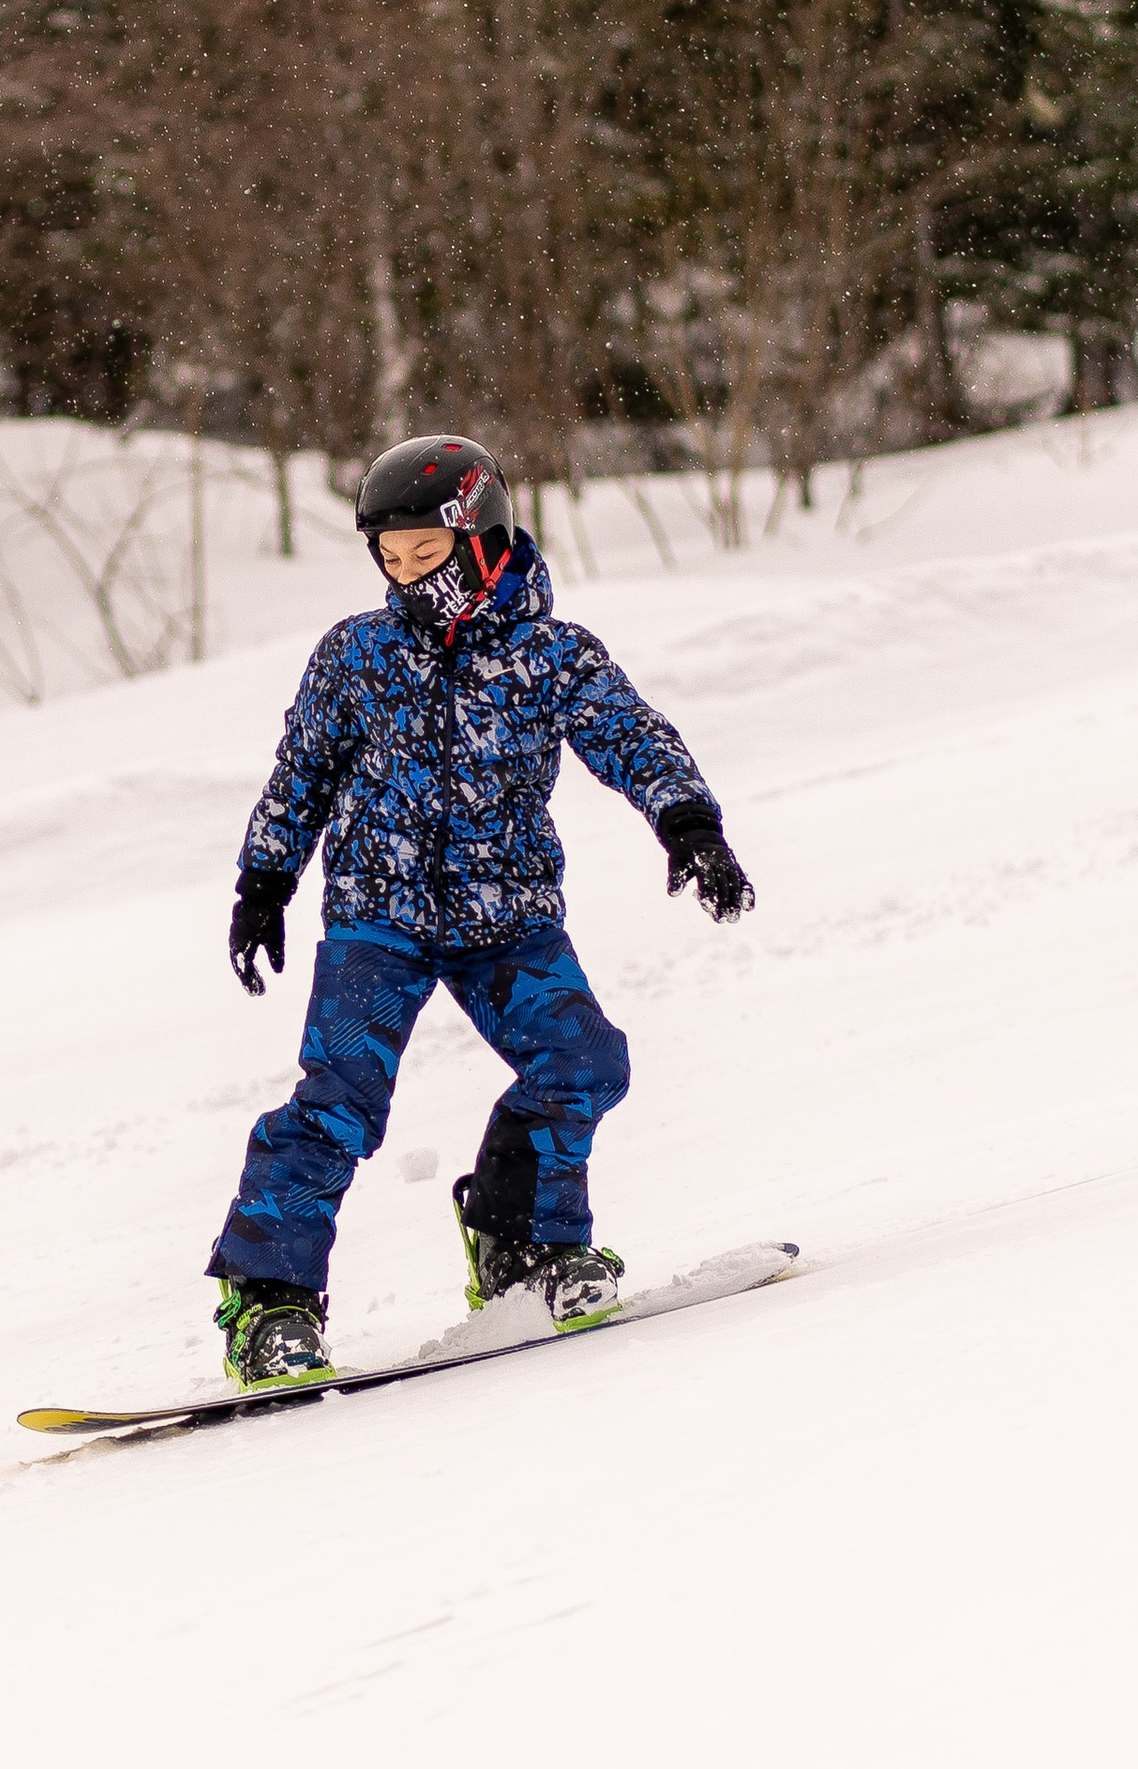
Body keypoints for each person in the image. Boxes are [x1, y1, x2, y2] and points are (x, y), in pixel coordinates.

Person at [206, 430, 756, 1386]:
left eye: (427, 553)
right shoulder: (358, 655)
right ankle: (269, 1302)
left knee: (583, 1062)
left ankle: (524, 1243)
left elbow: (633, 736)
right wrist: (266, 882)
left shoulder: (551, 656)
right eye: (390, 556)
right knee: (340, 1104)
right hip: (379, 919)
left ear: (480, 535)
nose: (408, 574)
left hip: (506, 919)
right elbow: (301, 773)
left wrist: (690, 826)